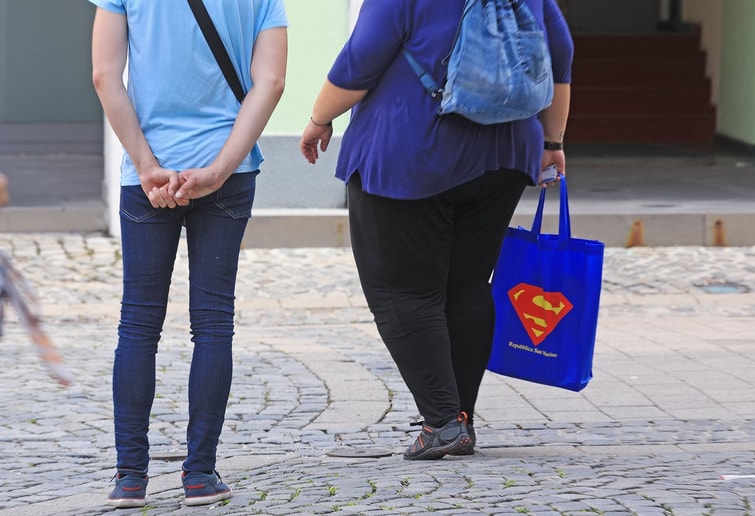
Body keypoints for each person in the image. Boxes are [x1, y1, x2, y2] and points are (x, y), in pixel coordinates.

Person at [300, 0, 573, 460]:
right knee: (467, 285)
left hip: (411, 149)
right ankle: (460, 418)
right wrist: (553, 141)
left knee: (402, 292)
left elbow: (359, 62)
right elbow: (559, 57)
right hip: (505, 153)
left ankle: (443, 421)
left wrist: (318, 119)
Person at [89, 0, 287, 507]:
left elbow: (104, 76)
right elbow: (271, 82)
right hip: (228, 173)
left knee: (138, 324)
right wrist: (219, 170)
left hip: (149, 177)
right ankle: (199, 474)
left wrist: (145, 164)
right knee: (214, 323)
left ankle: (130, 477)